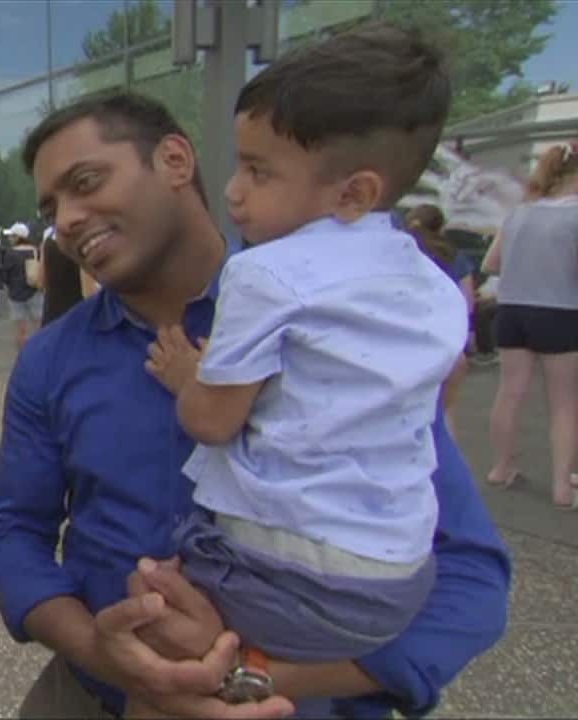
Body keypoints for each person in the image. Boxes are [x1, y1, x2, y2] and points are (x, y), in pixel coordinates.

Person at [0, 87, 509, 718]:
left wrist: (249, 677)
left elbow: (471, 580)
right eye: (52, 205)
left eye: (86, 181)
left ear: (175, 162)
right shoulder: (51, 360)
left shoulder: (340, 328)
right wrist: (105, 653)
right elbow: (14, 533)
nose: (65, 219)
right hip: (102, 694)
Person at [140, 25, 467, 699]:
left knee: (148, 603)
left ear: (354, 193)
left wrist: (184, 376)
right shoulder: (431, 281)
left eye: (260, 173)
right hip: (400, 579)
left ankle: (234, 678)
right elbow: (445, 386)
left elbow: (213, 421)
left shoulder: (266, 274)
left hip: (293, 580)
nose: (232, 192)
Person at [481, 140, 578, 509]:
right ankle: (561, 488)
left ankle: (501, 468)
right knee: (564, 404)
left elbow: (491, 263)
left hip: (512, 311)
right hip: (561, 312)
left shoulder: (520, 213)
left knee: (509, 393)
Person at [406, 204, 476, 437]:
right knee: (445, 411)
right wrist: (468, 332)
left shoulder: (402, 253)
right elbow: (467, 301)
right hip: (447, 339)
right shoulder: (453, 255)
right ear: (441, 227)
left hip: (409, 336)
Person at [0, 223, 44, 350]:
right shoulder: (36, 251)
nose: (10, 239)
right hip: (34, 290)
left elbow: (5, 275)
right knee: (40, 326)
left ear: (18, 237)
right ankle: (42, 351)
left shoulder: (10, 254)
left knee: (21, 330)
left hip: (15, 294)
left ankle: (23, 356)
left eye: (12, 236)